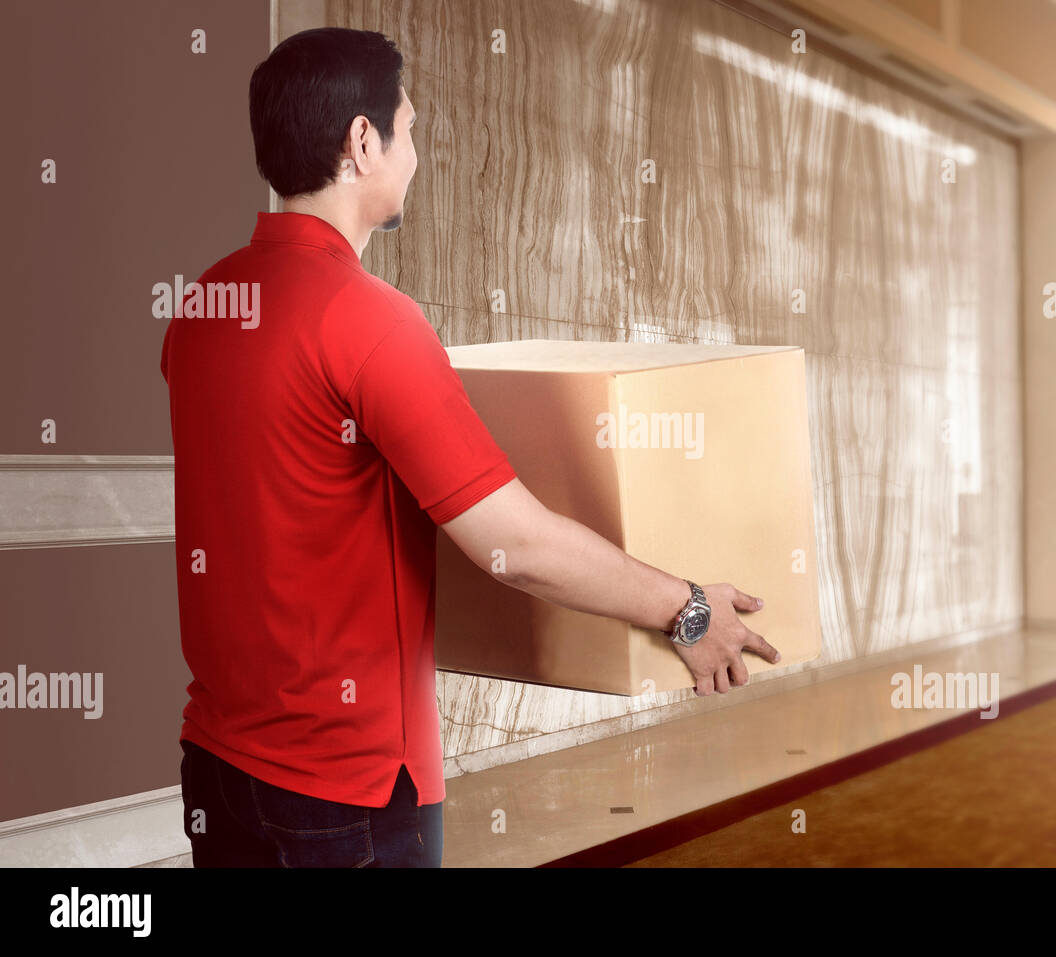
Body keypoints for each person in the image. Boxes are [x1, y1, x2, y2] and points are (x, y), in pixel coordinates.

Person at [163, 26, 779, 868]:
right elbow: (515, 547)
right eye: (409, 130)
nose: (416, 153)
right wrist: (689, 609)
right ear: (362, 142)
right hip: (347, 792)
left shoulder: (205, 307)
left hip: (220, 765)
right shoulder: (373, 323)